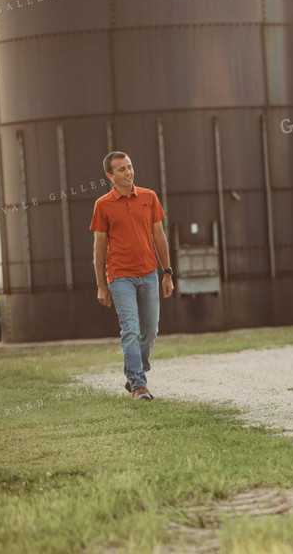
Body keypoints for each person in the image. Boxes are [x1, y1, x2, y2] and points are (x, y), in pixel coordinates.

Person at [90, 151, 173, 401]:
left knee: (151, 331)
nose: (128, 173)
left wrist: (167, 272)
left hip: (149, 273)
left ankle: (135, 371)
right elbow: (99, 247)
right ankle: (138, 384)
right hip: (119, 276)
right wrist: (101, 285)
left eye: (130, 167)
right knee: (131, 329)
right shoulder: (102, 205)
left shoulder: (149, 197)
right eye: (121, 169)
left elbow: (159, 236)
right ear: (110, 175)